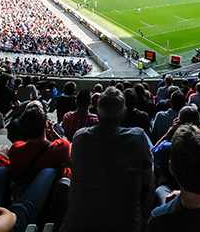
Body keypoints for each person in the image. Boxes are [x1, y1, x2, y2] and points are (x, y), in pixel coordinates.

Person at [61, 87, 153, 232]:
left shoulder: (80, 138)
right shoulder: (139, 137)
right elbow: (147, 180)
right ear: (124, 112)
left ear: (97, 111)